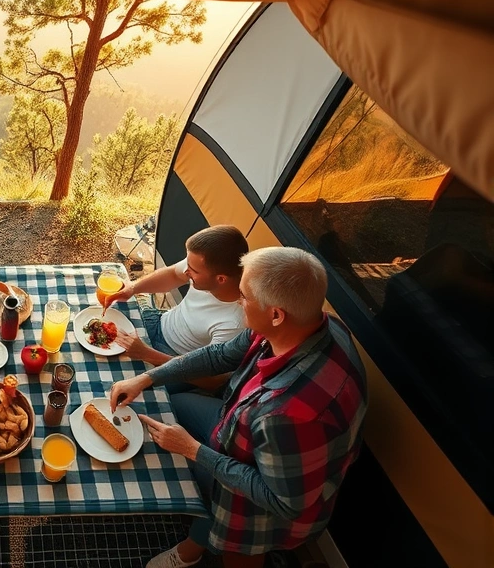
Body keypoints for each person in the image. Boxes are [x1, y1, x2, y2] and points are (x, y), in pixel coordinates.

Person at [110, 247, 367, 568]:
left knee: (232, 524)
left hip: (276, 502)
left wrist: (193, 450)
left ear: (276, 314)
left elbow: (283, 503)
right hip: (245, 428)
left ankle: (193, 551)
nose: (236, 302)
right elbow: (219, 355)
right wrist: (148, 378)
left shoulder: (290, 414)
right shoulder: (312, 324)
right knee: (171, 405)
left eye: (244, 297)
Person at [104, 225, 248, 393]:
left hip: (176, 362)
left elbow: (213, 382)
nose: (186, 271)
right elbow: (173, 274)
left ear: (221, 279)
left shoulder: (236, 322)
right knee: (100, 332)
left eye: (192, 270)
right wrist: (133, 288)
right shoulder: (201, 269)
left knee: (113, 386)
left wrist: (147, 354)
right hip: (157, 321)